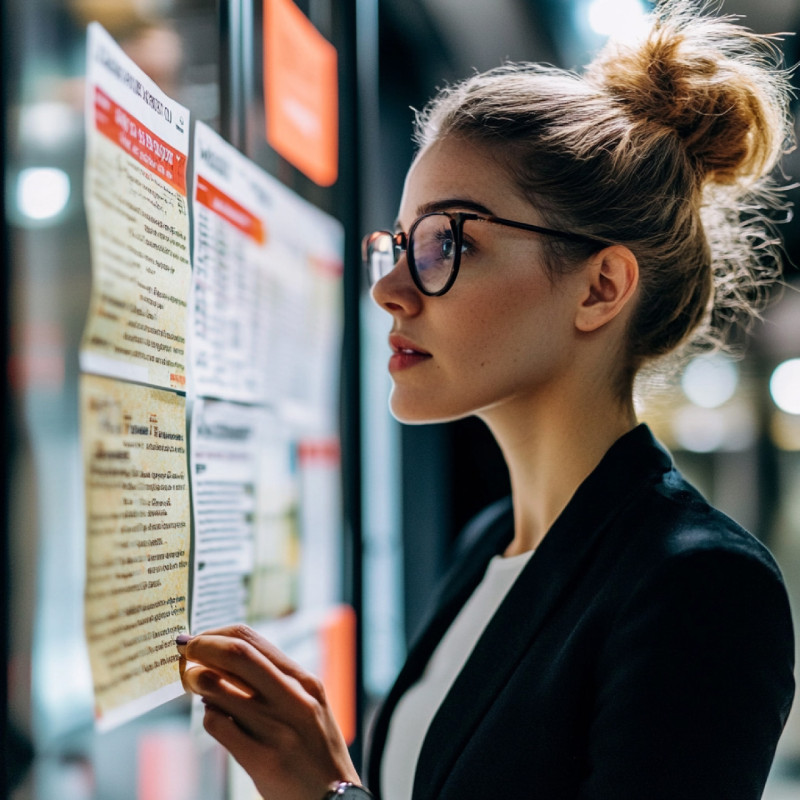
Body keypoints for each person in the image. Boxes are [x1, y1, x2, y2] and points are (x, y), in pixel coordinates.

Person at [176, 1, 796, 797]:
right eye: (398, 246)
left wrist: (329, 792)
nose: (394, 290)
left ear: (600, 287)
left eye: (447, 243)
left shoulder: (701, 588)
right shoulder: (486, 546)